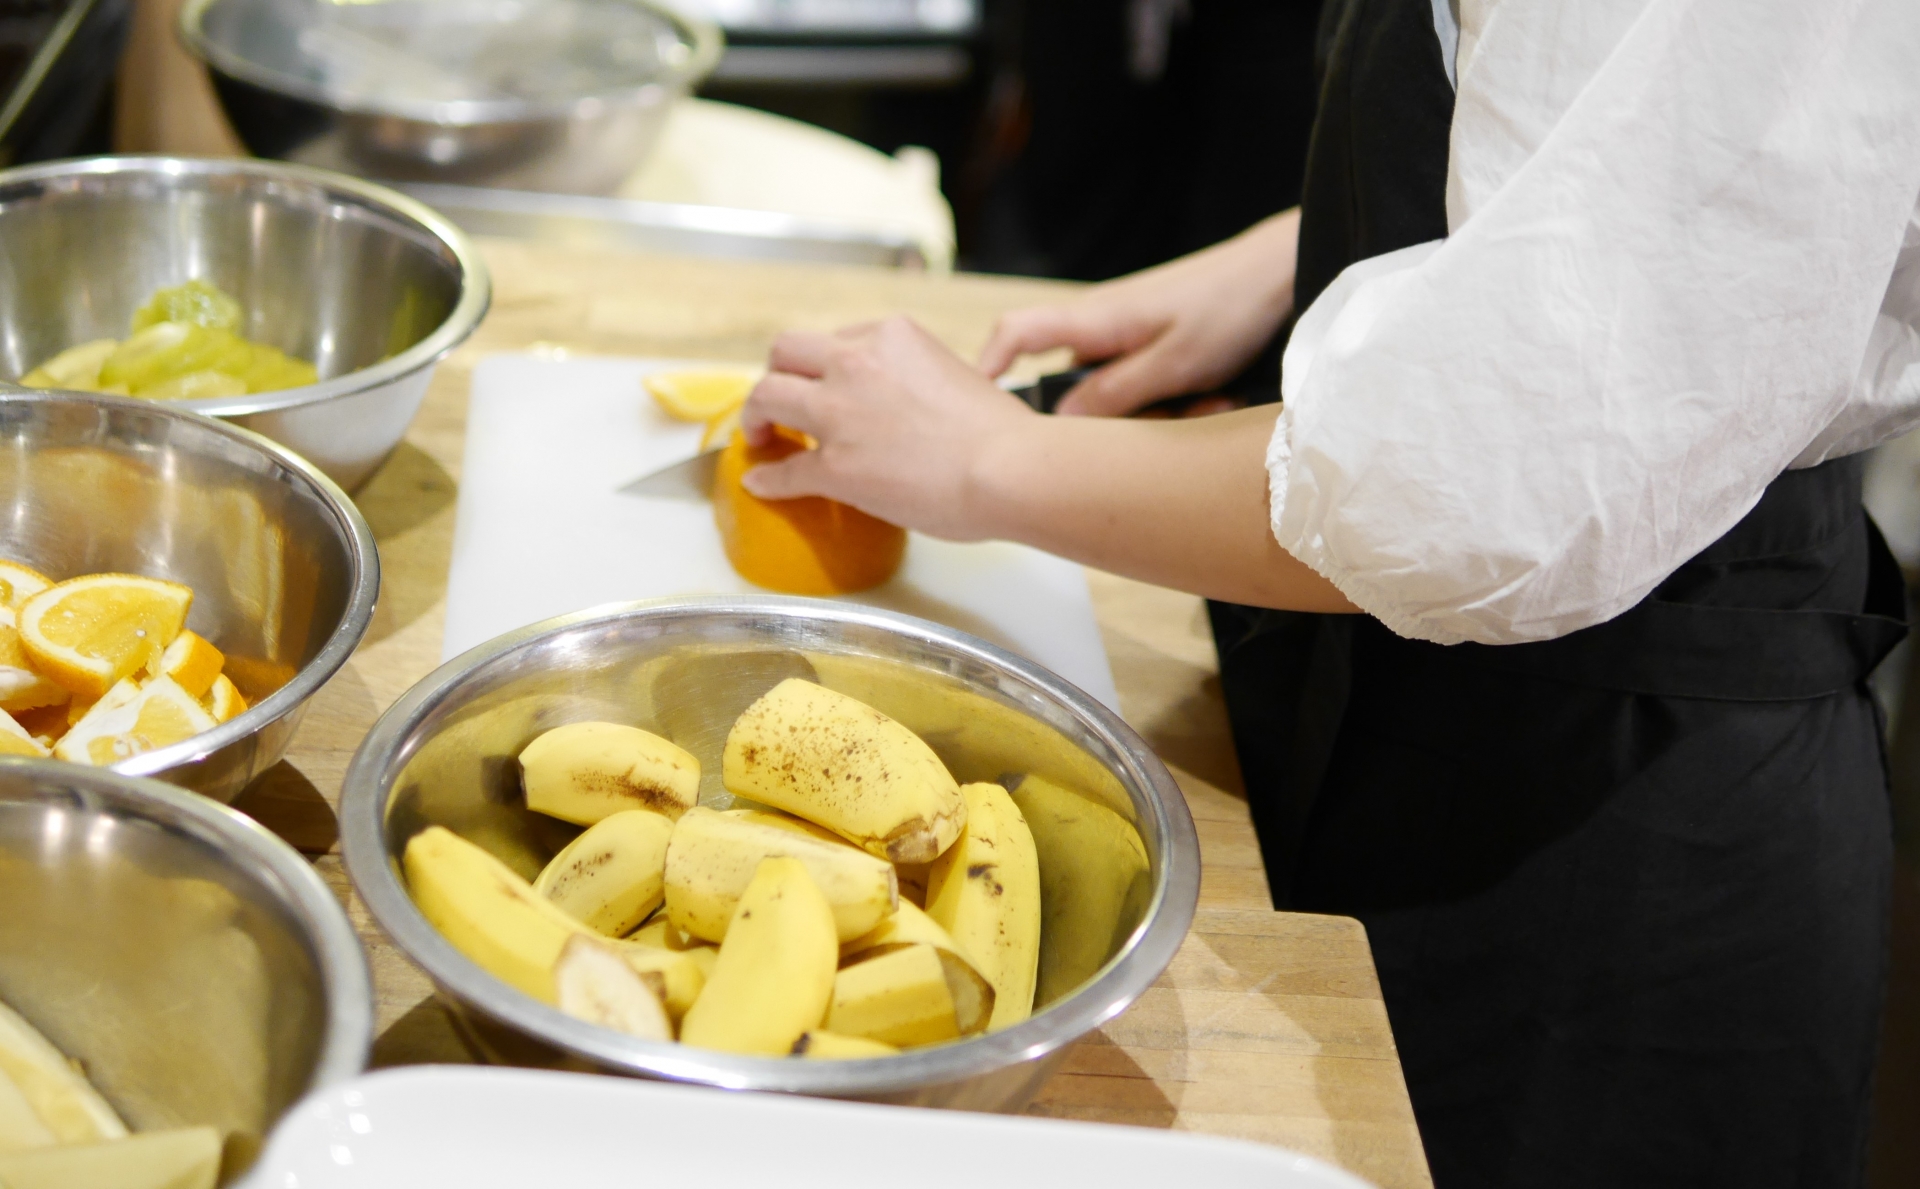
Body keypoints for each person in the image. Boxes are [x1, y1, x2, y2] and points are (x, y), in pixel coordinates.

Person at [738, 0, 1920, 1184]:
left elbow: (1489, 478)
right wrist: (1290, 262)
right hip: (1433, 721)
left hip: (1617, 829)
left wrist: (993, 462)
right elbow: (1659, 165)